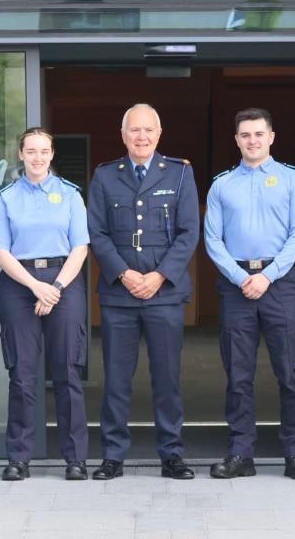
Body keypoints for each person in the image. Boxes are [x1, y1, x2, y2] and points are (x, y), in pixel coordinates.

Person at [87, 103, 199, 480]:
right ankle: (113, 456)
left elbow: (188, 234)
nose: (141, 136)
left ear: (159, 134)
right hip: (119, 296)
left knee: (167, 379)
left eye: (148, 130)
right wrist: (122, 274)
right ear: (123, 136)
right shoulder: (105, 176)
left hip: (164, 294)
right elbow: (97, 234)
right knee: (116, 380)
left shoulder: (181, 174)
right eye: (134, 130)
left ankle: (171, 455)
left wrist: (159, 276)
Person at [204, 107, 295, 480]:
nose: (252, 140)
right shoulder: (222, 185)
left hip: (280, 284)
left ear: (271, 136)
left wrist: (268, 276)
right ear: (236, 140)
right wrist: (240, 277)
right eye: (245, 135)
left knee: (291, 371)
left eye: (258, 133)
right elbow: (212, 239)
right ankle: (241, 453)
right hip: (236, 286)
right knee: (238, 374)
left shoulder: (292, 181)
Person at [0, 127, 89, 481]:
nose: (38, 157)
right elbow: (0, 250)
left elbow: (80, 248)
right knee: (22, 375)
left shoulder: (71, 196)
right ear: (20, 154)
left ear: (52, 154)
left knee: (67, 373)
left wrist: (55, 287)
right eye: (31, 151)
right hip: (20, 284)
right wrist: (35, 286)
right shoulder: (7, 199)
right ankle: (19, 458)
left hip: (64, 281)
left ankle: (75, 458)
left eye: (44, 151)